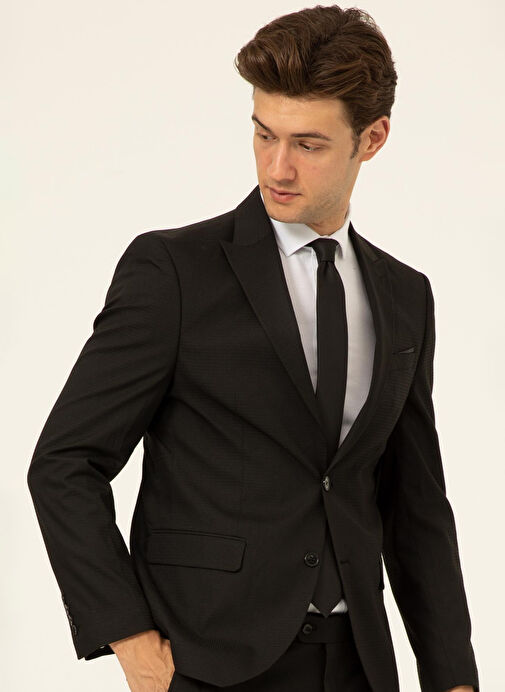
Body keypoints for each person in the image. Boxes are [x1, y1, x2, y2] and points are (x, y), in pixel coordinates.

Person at [27, 5, 479, 692]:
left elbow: (415, 503)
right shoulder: (174, 272)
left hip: (357, 662)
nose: (277, 166)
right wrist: (131, 640)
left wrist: (453, 678)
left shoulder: (404, 295)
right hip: (207, 661)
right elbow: (65, 462)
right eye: (264, 134)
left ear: (372, 139)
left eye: (308, 144)